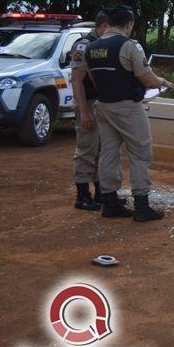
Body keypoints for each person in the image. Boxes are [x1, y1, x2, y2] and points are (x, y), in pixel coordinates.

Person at [71, 5, 174, 221]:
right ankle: (142, 205)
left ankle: (109, 202)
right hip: (128, 107)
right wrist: (163, 82)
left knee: (108, 152)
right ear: (128, 24)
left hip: (103, 106)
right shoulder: (130, 45)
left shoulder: (90, 47)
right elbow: (147, 78)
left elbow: (86, 78)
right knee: (140, 152)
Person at [70, 11, 109, 210]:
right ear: (103, 25)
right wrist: (84, 111)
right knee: (87, 149)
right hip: (89, 103)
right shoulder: (83, 45)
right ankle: (82, 195)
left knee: (103, 150)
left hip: (103, 104)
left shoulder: (103, 44)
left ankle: (102, 193)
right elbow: (76, 81)